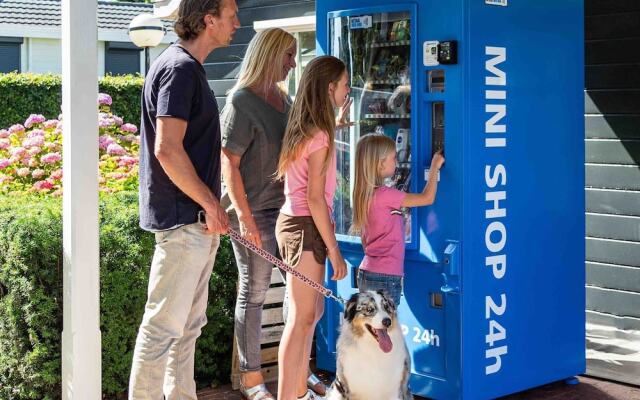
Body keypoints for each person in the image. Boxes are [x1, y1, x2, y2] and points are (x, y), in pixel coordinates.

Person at [129, 0, 239, 399]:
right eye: (231, 16)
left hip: (195, 223)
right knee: (161, 331)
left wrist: (211, 208)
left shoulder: (187, 68)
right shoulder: (179, 69)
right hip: (184, 222)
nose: (237, 23)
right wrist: (211, 204)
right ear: (209, 20)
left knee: (188, 329)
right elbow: (168, 149)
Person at [220, 27, 297, 400]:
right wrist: (245, 220)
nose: (293, 63)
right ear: (269, 54)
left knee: (300, 289)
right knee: (255, 291)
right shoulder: (241, 102)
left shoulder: (287, 101)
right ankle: (251, 378)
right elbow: (228, 164)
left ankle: (294, 368)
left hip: (287, 212)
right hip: (251, 211)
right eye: (288, 55)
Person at [274, 55, 350, 400]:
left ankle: (295, 393)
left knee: (311, 313)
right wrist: (335, 251)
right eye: (345, 84)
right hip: (306, 226)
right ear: (330, 87)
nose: (348, 90)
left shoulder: (308, 127)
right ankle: (289, 395)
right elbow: (316, 199)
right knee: (303, 317)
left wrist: (338, 124)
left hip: (297, 224)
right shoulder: (320, 136)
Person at [351, 134, 445, 306]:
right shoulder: (385, 195)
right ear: (380, 164)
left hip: (367, 271)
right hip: (385, 277)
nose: (396, 161)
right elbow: (427, 198)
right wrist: (434, 167)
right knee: (383, 329)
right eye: (394, 158)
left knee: (374, 329)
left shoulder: (364, 195)